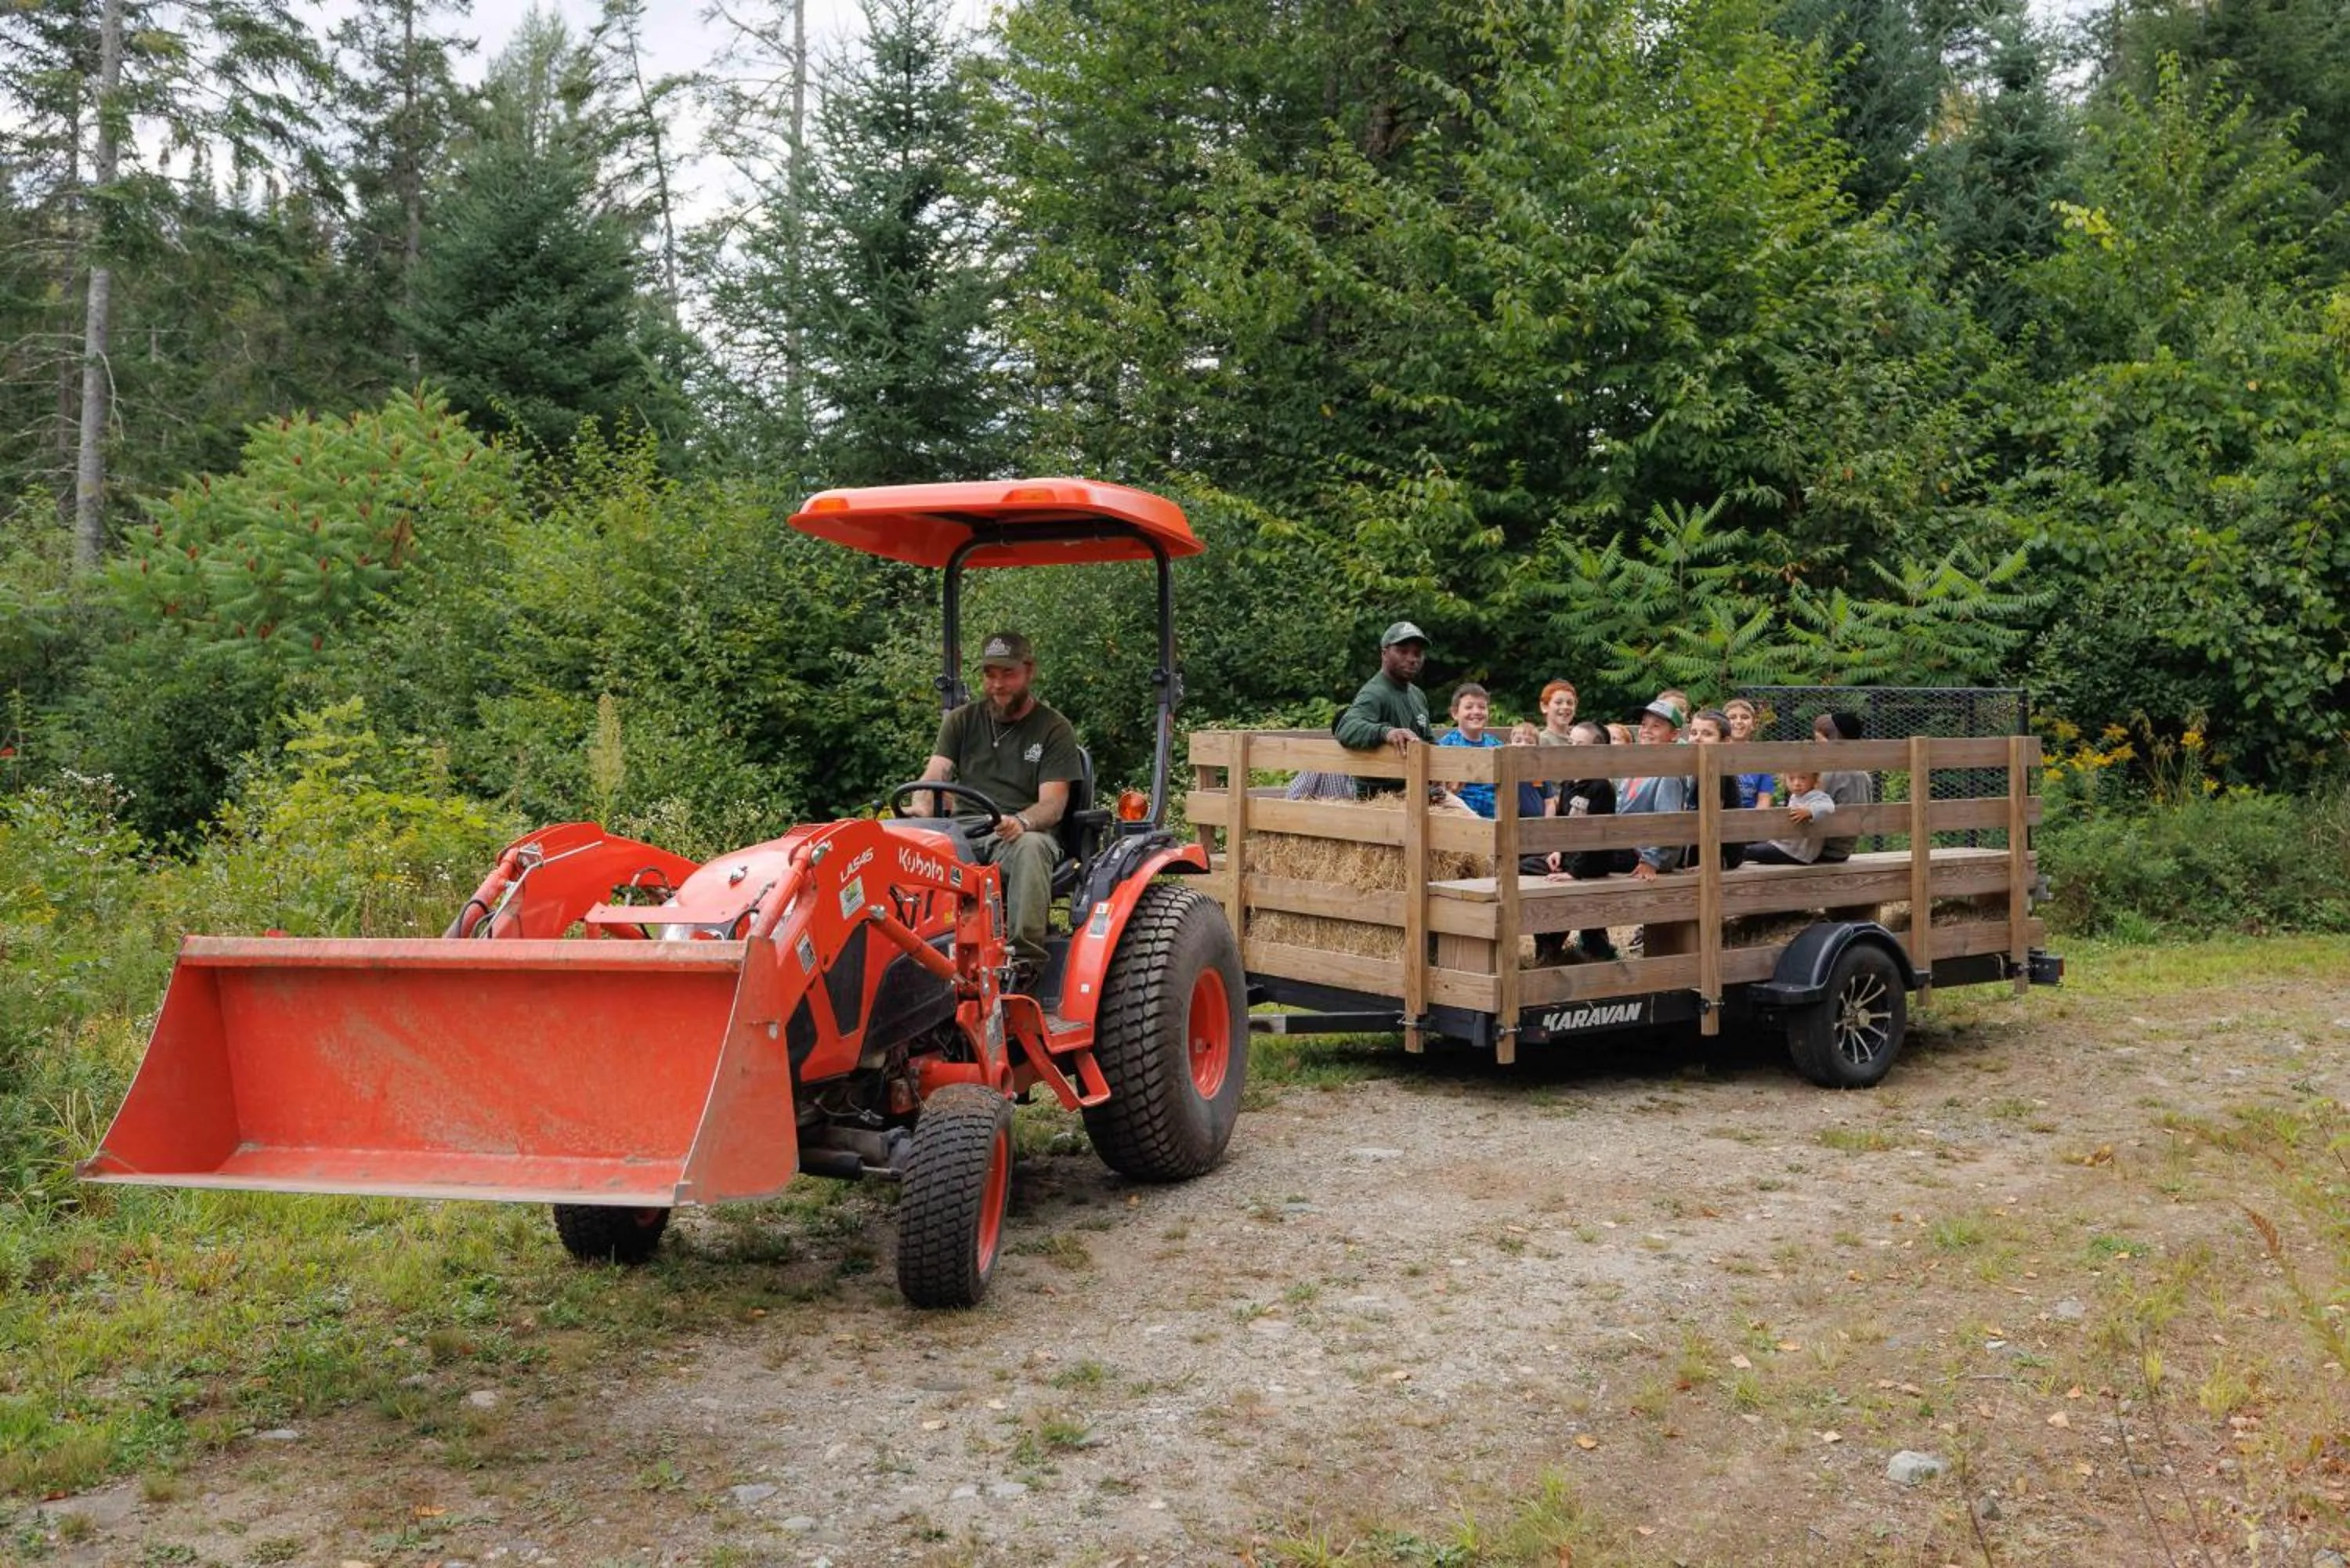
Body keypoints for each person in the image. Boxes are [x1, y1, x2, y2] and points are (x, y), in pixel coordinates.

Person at [915, 630, 1083, 970]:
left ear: (1029, 671)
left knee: (1032, 847)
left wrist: (1021, 821)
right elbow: (936, 774)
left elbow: (1053, 804)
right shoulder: (962, 721)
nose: (998, 684)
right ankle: (915, 952)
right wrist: (919, 806)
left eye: (1008, 674)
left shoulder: (1053, 729)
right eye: (990, 675)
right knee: (906, 846)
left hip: (1017, 835)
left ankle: (1023, 961)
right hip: (963, 832)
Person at [1528, 721, 1633, 961]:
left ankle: (1585, 946)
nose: (1572, 748)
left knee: (1565, 889)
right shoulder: (1568, 784)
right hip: (1570, 855)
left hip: (1593, 859)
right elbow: (1563, 824)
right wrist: (1557, 851)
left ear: (1597, 751)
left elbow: (1597, 837)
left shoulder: (1601, 788)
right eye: (1570, 742)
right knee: (1529, 866)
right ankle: (1547, 944)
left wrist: (1574, 873)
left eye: (1579, 744)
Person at [1335, 623, 1437, 781]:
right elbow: (1346, 727)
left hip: (1421, 788)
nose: (1412, 659)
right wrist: (1387, 733)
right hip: (1383, 794)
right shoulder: (1375, 692)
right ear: (1384, 654)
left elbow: (1429, 742)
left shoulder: (1417, 695)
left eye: (1417, 653)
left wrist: (1448, 772)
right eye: (1403, 652)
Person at [1617, 699, 1691, 880]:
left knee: (1590, 853)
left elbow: (1669, 822)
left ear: (1674, 735)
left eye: (1656, 726)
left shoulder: (1670, 772)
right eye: (1643, 725)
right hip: (1627, 846)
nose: (1646, 731)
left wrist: (1650, 861)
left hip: (1649, 855)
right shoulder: (1635, 766)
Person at [1686, 709, 1748, 869]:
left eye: (1707, 734)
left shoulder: (1719, 773)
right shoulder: (1693, 770)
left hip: (1721, 856)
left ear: (1725, 742)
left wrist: (1709, 862)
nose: (1697, 738)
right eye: (1693, 733)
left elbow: (1714, 820)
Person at [1811, 710, 1874, 863]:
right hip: (1844, 850)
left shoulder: (1833, 773)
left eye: (1818, 740)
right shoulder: (1863, 774)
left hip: (1822, 850)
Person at [1743, 769, 1838, 865]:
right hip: (1786, 847)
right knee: (1753, 847)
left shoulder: (1817, 796)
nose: (1797, 783)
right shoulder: (1795, 797)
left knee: (1748, 851)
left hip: (1798, 852)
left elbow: (1829, 807)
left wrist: (1810, 811)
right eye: (1791, 779)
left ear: (1814, 779)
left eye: (1803, 778)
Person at [1438, 682, 1503, 817]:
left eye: (1482, 707)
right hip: (1462, 819)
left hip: (1498, 818)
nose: (1476, 712)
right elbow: (1441, 793)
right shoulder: (1446, 746)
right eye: (1469, 707)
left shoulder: (1497, 746)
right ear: (1455, 713)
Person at [1724, 696, 1773, 809]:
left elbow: (1764, 800)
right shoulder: (1716, 753)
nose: (1739, 722)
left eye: (1745, 717)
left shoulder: (1761, 759)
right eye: (1732, 717)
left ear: (1754, 724)